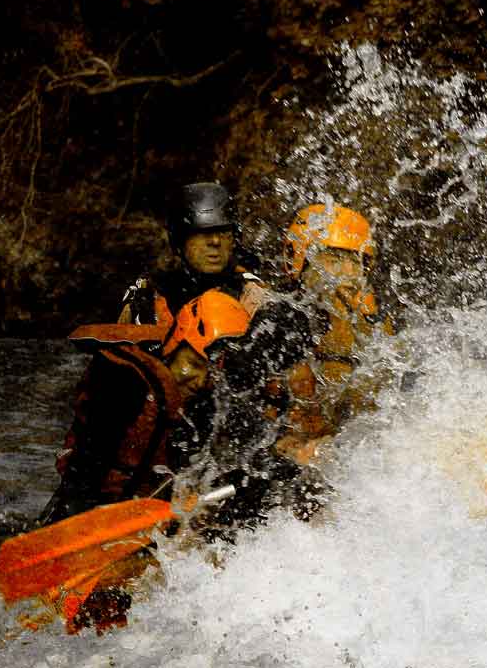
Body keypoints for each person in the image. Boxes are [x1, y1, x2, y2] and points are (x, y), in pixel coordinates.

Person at [199, 203, 396, 525]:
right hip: (269, 470)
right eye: (332, 261)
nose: (345, 275)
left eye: (354, 263)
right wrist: (277, 451)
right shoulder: (285, 318)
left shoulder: (375, 327)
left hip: (340, 466)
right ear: (300, 262)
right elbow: (232, 393)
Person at [40, 290, 253, 525]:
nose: (200, 381)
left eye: (211, 373)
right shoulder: (124, 379)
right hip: (86, 508)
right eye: (193, 364)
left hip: (146, 517)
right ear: (174, 344)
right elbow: (85, 470)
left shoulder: (205, 401)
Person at [114, 182, 268, 329]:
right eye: (203, 232)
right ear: (180, 241)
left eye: (223, 232)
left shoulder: (251, 293)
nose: (215, 241)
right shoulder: (147, 296)